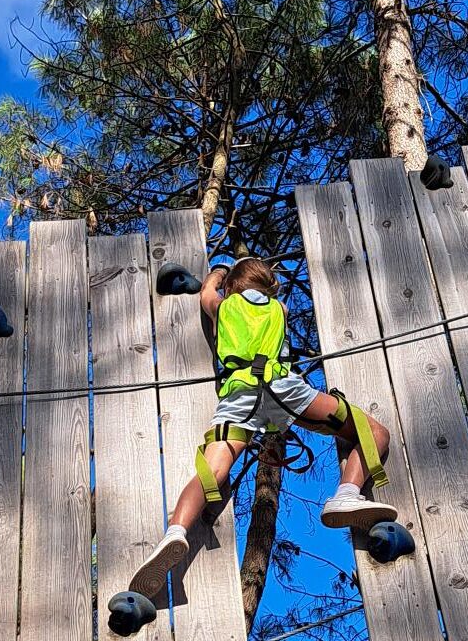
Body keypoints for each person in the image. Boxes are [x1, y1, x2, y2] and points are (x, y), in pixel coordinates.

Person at [131, 256, 396, 597]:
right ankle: (346, 494)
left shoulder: (222, 307)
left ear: (231, 288)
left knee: (211, 472)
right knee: (374, 433)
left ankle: (175, 531)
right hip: (283, 389)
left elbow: (206, 294)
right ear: (269, 285)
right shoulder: (279, 309)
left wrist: (218, 273)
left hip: (237, 396)